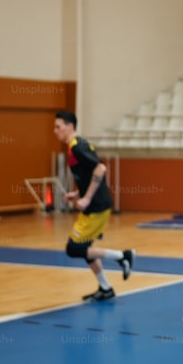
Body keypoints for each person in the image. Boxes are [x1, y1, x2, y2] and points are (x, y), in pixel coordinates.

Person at [53, 110, 135, 300]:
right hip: (96, 204)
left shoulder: (77, 146)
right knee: (86, 249)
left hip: (96, 206)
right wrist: (78, 194)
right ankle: (105, 288)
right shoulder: (76, 145)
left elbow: (100, 168)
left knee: (73, 249)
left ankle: (123, 256)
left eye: (58, 127)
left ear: (69, 126)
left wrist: (87, 198)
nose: (55, 131)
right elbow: (89, 174)